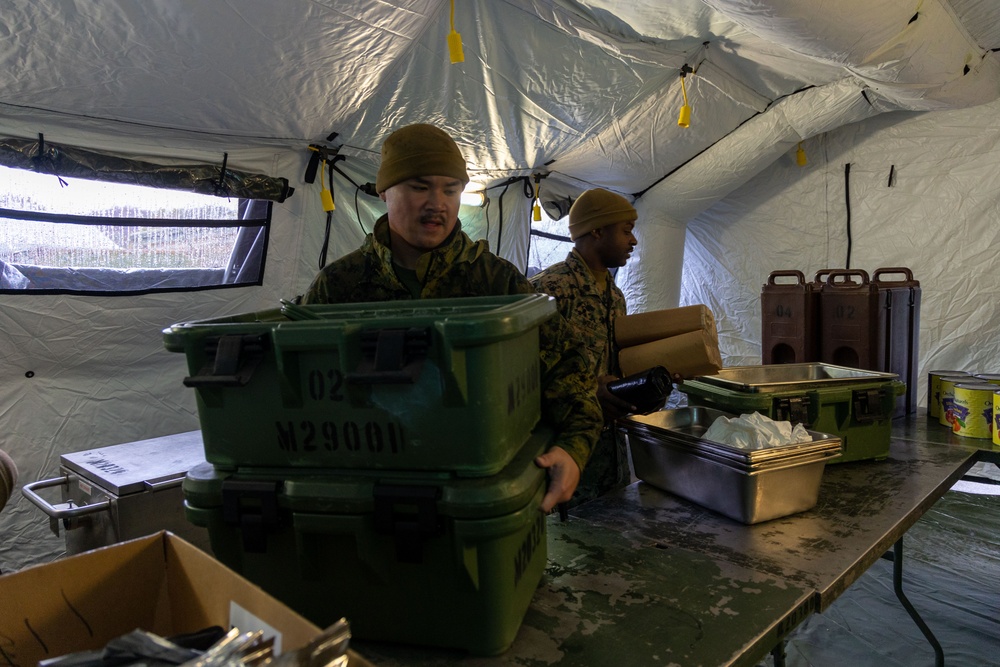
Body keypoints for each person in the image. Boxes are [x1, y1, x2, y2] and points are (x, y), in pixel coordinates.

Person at [300, 123, 602, 513]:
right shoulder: (338, 286)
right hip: (368, 492)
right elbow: (305, 390)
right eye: (419, 186)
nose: (437, 203)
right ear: (383, 190)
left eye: (451, 189)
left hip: (475, 492)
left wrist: (573, 449)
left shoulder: (496, 282)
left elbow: (567, 365)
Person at [530, 188, 639, 505]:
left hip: (611, 460)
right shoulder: (548, 290)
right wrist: (590, 391)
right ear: (597, 230)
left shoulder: (614, 296)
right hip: (564, 460)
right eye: (626, 230)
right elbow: (523, 378)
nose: (633, 241)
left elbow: (612, 367)